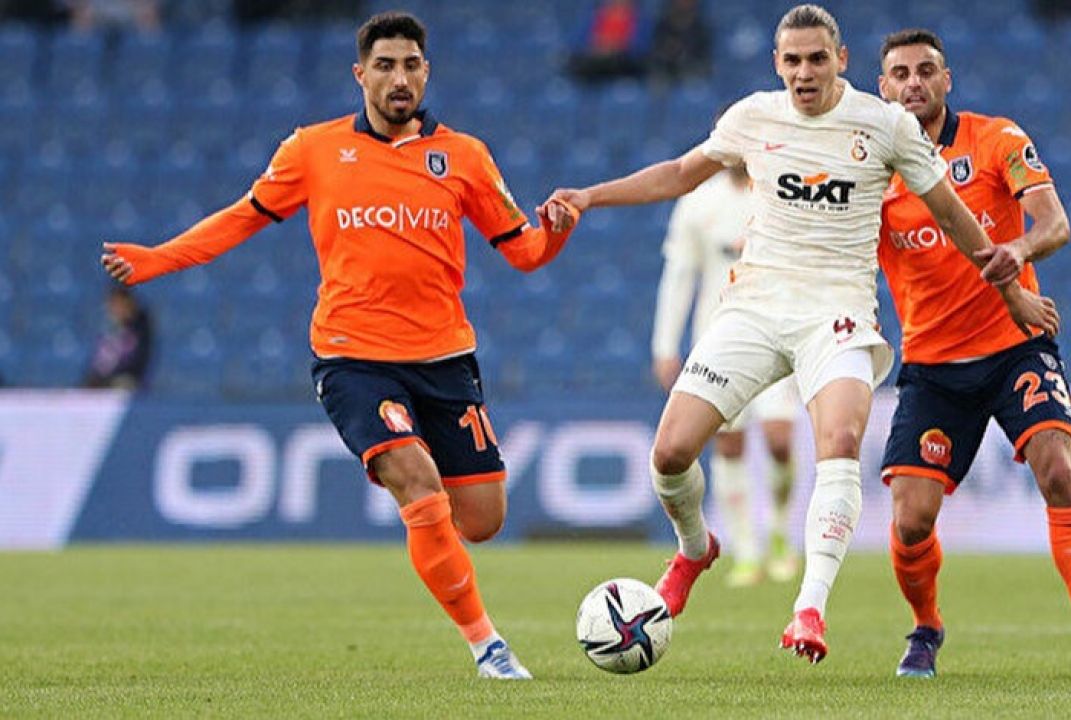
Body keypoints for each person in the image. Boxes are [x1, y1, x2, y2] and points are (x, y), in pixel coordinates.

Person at [542, 3, 1058, 664]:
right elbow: (678, 174)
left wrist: (1012, 291)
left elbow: (955, 218)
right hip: (755, 307)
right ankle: (696, 550)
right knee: (670, 454)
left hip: (837, 314)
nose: (805, 72)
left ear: (841, 60)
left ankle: (809, 607)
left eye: (817, 59)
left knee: (836, 443)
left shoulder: (885, 124)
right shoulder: (753, 116)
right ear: (777, 64)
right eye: (793, 60)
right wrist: (589, 196)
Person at [101, 11, 579, 680]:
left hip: (444, 358)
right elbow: (241, 218)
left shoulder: (465, 156)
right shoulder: (313, 149)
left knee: (482, 519)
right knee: (416, 480)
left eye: (410, 65)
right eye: (384, 66)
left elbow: (524, 253)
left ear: (426, 72)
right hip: (353, 356)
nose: (398, 78)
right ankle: (488, 648)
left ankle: (428, 523)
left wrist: (556, 230)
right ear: (360, 75)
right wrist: (160, 258)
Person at [876, 28, 1071, 680]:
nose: (913, 83)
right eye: (900, 74)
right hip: (933, 366)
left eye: (926, 71)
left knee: (1058, 471)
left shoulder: (996, 138)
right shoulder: (871, 172)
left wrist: (1018, 251)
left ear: (947, 80)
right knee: (912, 521)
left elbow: (1055, 222)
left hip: (1015, 347)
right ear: (882, 88)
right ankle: (926, 627)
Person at [651, 161, 801, 588]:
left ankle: (779, 531)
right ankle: (746, 550)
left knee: (778, 440)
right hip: (718, 338)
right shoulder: (698, 202)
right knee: (729, 444)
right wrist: (665, 345)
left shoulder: (781, 191)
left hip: (776, 334)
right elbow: (679, 275)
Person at [83, 286, 152, 390]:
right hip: (105, 377)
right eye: (114, 305)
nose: (117, 309)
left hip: (129, 378)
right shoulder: (108, 327)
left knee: (123, 384)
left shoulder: (140, 328)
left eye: (120, 305)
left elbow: (137, 360)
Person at [567, 0, 651, 84]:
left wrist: (613, 48)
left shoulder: (641, 21)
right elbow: (578, 44)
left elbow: (639, 49)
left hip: (620, 67)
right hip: (593, 63)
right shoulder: (597, 17)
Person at [648, 0, 711, 85]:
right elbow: (655, 51)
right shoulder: (663, 25)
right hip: (665, 70)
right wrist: (668, 51)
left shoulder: (700, 29)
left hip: (690, 70)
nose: (684, 3)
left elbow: (704, 57)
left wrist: (684, 53)